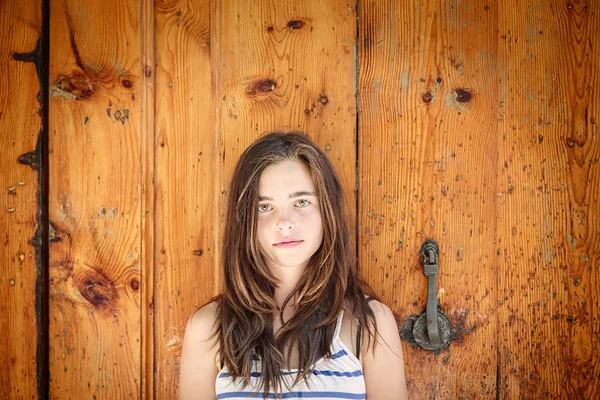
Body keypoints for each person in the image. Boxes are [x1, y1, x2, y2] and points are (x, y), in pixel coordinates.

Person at [179, 132, 408, 399]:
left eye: (301, 202)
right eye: (264, 207)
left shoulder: (369, 324)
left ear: (327, 212)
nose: (284, 222)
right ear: (245, 221)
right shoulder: (208, 328)